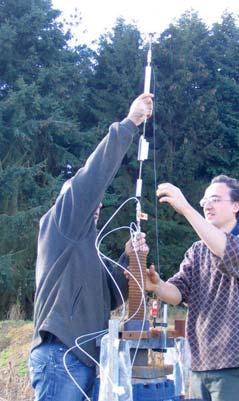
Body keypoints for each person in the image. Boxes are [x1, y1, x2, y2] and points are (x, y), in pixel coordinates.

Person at [29, 93, 153, 401]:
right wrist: (130, 123)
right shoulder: (61, 221)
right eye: (85, 198)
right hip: (61, 356)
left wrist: (130, 256)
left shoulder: (85, 245)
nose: (94, 203)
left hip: (82, 360)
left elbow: (110, 296)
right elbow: (92, 178)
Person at [147, 175, 239, 401]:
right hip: (199, 364)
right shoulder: (197, 250)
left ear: (235, 206)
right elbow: (177, 293)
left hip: (235, 363)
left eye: (214, 199)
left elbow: (227, 250)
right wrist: (157, 285)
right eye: (203, 201)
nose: (206, 205)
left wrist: (186, 209)